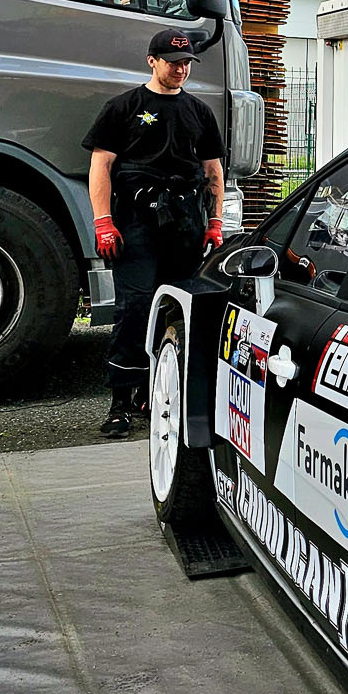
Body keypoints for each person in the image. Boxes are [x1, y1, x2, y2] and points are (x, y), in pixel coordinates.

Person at [84, 27, 225, 439]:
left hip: (185, 224)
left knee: (177, 308)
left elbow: (212, 170)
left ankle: (157, 393)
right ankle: (120, 401)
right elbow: (101, 166)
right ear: (152, 61)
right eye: (173, 62)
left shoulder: (199, 112)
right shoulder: (123, 108)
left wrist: (215, 222)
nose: (180, 69)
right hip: (136, 222)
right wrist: (103, 222)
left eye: (186, 63)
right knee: (135, 307)